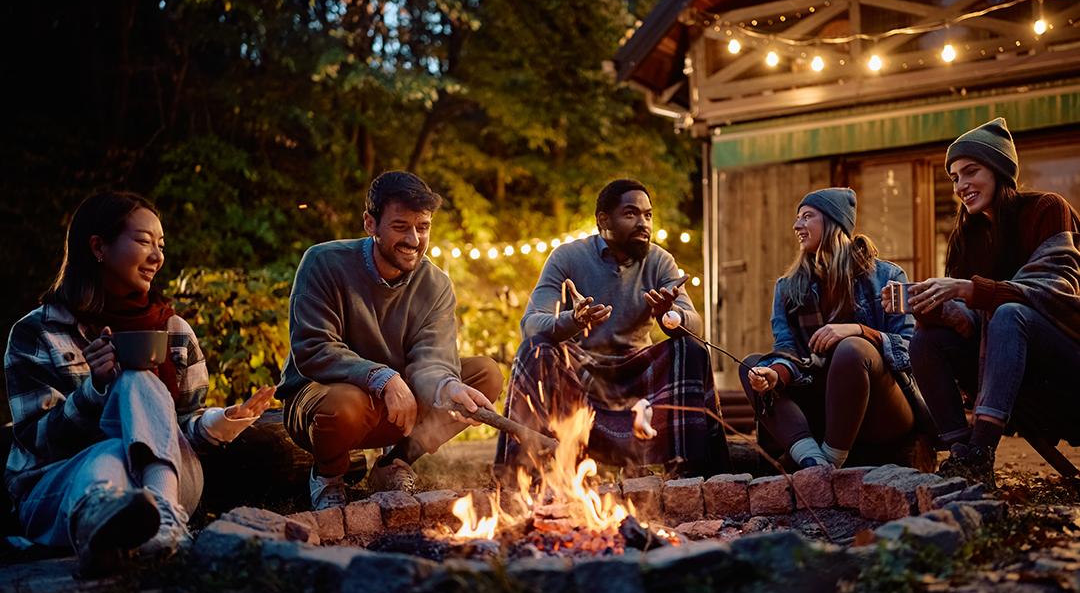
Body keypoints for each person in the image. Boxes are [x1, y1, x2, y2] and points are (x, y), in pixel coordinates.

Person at [5, 192, 275, 577]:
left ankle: (155, 517)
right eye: (144, 241)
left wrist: (224, 420)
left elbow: (181, 428)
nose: (157, 256)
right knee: (112, 451)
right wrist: (94, 391)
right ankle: (119, 528)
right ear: (98, 246)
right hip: (57, 488)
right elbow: (38, 440)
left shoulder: (174, 331)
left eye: (161, 245)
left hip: (172, 484)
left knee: (137, 378)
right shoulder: (37, 333)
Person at [278, 170, 503, 509]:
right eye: (401, 227)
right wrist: (382, 377)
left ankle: (394, 463)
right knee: (343, 404)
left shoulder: (435, 284)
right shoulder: (323, 262)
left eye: (423, 227)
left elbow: (433, 359)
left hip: (401, 406)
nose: (414, 239)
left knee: (485, 375)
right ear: (371, 224)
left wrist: (447, 387)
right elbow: (314, 349)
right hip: (327, 399)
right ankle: (329, 476)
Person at [494, 178, 728, 478]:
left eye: (648, 214)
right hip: (580, 373)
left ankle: (693, 474)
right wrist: (573, 320)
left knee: (690, 348)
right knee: (535, 349)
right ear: (603, 220)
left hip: (637, 373)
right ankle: (523, 475)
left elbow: (694, 323)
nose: (643, 223)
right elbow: (530, 324)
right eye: (631, 214)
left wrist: (672, 316)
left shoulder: (660, 261)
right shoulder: (567, 257)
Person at [906, 118, 1080, 482]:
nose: (960, 185)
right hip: (1003, 363)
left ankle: (981, 449)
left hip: (1065, 358)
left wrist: (969, 289)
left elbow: (1055, 290)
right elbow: (970, 323)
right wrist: (933, 309)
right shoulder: (965, 237)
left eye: (971, 171)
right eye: (954, 177)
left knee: (1009, 313)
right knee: (924, 341)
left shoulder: (1047, 208)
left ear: (999, 170)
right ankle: (963, 455)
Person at [741, 188, 930, 470]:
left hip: (881, 409)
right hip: (821, 408)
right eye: (797, 218)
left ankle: (832, 460)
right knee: (751, 365)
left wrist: (857, 330)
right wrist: (775, 374)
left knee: (851, 348)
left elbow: (910, 349)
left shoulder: (887, 277)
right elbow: (788, 351)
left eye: (807, 217)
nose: (797, 226)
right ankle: (813, 461)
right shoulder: (787, 288)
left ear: (833, 222)